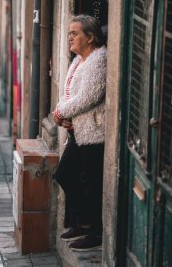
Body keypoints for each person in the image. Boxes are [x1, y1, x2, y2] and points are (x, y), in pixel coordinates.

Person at [52, 14, 107, 252]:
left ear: (91, 37)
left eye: (75, 33)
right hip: (78, 130)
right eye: (69, 33)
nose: (70, 37)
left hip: (94, 132)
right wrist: (61, 114)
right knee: (65, 175)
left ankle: (94, 231)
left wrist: (61, 111)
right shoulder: (78, 60)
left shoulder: (98, 60)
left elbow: (88, 97)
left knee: (91, 183)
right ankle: (83, 222)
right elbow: (68, 92)